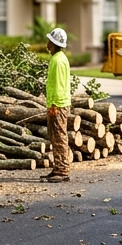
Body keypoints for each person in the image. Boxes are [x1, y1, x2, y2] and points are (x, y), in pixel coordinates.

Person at [44, 28, 72, 183]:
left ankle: (62, 170)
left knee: (59, 137)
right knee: (55, 137)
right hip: (57, 103)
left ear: (54, 44)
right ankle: (58, 167)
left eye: (49, 42)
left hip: (58, 105)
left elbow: (58, 85)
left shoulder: (58, 60)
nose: (47, 45)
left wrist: (54, 105)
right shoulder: (60, 58)